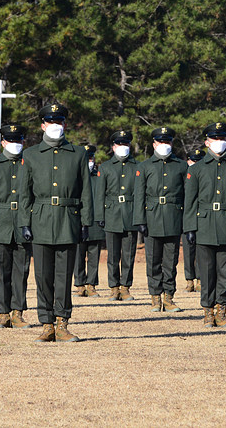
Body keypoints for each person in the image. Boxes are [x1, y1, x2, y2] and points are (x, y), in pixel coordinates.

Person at [19, 103, 93, 342]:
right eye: (50, 122)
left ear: (65, 124)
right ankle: (46, 324)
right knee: (42, 275)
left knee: (64, 275)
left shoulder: (78, 154)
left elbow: (86, 191)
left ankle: (62, 323)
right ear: (42, 125)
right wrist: (24, 222)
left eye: (59, 122)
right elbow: (24, 192)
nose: (55, 126)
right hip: (40, 218)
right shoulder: (30, 155)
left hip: (68, 220)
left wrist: (86, 222)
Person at [183, 122, 226, 329]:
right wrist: (189, 228)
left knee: (225, 271)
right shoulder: (198, 168)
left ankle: (222, 311)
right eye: (215, 139)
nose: (219, 142)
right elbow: (190, 201)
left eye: (222, 138)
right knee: (207, 271)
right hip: (204, 225)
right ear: (207, 141)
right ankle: (207, 311)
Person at [0, 124, 33, 329]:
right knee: (1, 271)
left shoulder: (28, 163)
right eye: (11, 140)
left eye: (18, 140)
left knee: (21, 271)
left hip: (22, 221)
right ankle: (3, 313)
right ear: (3, 142)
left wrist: (29, 222)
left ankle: (18, 312)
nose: (15, 144)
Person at [134, 127, 187, 313]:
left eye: (168, 142)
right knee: (153, 260)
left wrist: (186, 222)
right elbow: (139, 195)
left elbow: (187, 195)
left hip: (173, 217)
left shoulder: (181, 166)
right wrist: (140, 219)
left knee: (170, 261)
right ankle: (155, 298)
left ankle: (169, 297)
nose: (164, 145)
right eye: (161, 142)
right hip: (152, 217)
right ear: (154, 144)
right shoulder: (145, 166)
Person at [95, 130, 138, 302]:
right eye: (119, 144)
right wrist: (100, 215)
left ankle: (126, 287)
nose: (123, 147)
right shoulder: (105, 167)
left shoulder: (137, 167)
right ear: (113, 147)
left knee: (129, 254)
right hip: (111, 213)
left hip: (130, 212)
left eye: (126, 144)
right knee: (113, 255)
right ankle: (114, 287)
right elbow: (100, 194)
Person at [74, 145, 104, 297]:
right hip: (78, 220)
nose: (89, 161)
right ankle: (79, 284)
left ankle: (91, 284)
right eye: (86, 158)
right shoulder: (75, 176)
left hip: (95, 220)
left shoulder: (99, 175)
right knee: (78, 254)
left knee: (94, 255)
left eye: (90, 158)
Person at [181, 149, 205, 292]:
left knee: (201, 251)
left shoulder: (204, 174)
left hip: (202, 216)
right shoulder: (184, 176)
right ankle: (189, 280)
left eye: (197, 161)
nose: (194, 163)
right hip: (186, 217)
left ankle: (200, 280)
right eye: (192, 160)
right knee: (188, 251)